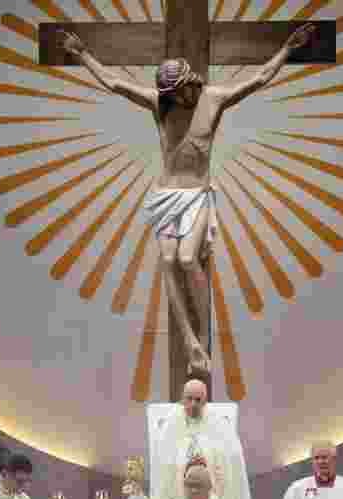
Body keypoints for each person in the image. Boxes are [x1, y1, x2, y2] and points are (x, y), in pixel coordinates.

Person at [60, 23, 316, 377]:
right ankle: (189, 343)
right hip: (167, 195)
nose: (178, 99)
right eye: (172, 94)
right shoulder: (159, 105)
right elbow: (115, 84)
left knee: (185, 258)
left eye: (180, 92)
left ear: (190, 83)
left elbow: (257, 80)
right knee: (167, 260)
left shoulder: (214, 99)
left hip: (196, 194)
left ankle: (203, 338)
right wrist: (82, 54)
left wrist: (288, 49)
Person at [150, 378, 254, 499]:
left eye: (198, 400)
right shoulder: (169, 426)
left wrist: (207, 457)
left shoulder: (219, 424)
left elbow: (232, 460)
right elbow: (163, 467)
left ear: (205, 402)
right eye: (189, 399)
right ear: (182, 399)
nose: (193, 404)